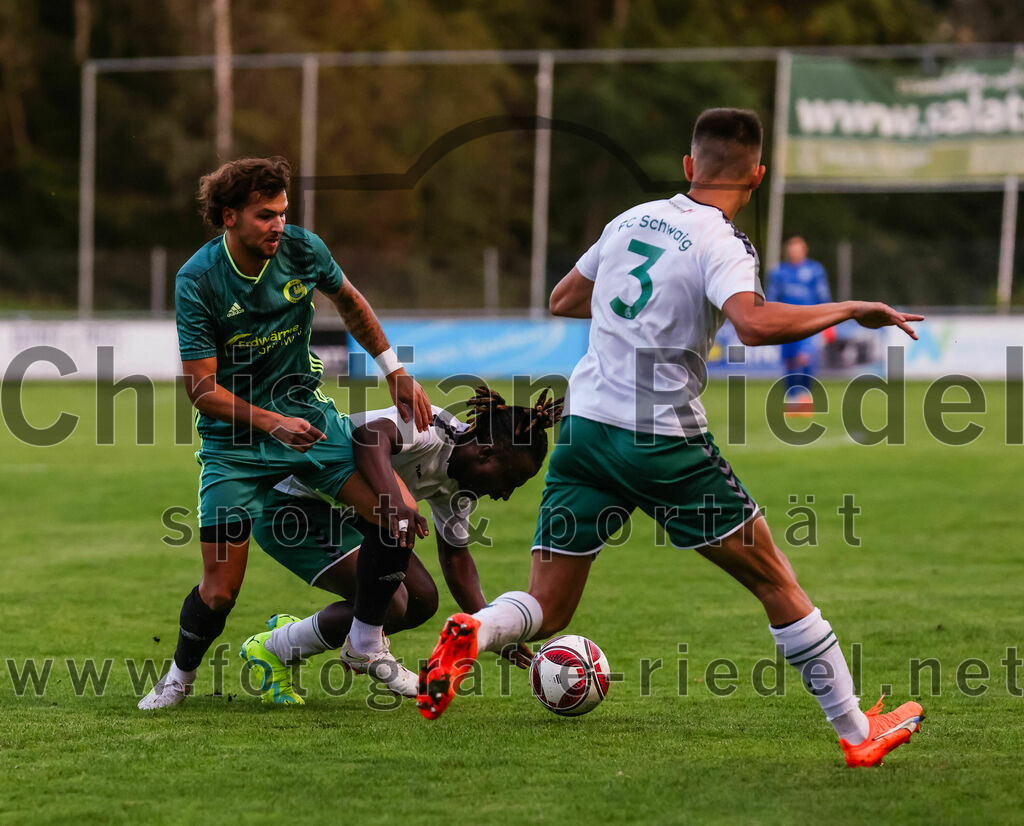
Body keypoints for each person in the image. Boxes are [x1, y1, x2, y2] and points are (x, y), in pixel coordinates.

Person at [417, 109, 926, 768]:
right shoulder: (723, 242)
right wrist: (851, 309)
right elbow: (754, 323)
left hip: (584, 433)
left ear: (689, 166)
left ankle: (476, 629)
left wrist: (640, 312)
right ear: (757, 177)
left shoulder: (630, 219)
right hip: (662, 443)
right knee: (777, 582)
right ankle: (858, 732)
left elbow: (563, 298)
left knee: (549, 604)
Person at [139, 156, 431, 710]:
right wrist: (272, 422)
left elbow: (350, 301)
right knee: (220, 590)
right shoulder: (198, 280)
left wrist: (394, 369)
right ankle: (179, 677)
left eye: (282, 212)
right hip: (235, 445)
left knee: (395, 513)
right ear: (229, 217)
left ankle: (365, 644)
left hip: (309, 418)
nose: (278, 225)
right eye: (265, 215)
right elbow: (201, 389)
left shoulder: (303, 249)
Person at [237, 387, 561, 703]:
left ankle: (285, 642)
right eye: (509, 481)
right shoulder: (433, 427)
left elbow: (456, 558)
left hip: (340, 509)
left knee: (422, 601)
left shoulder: (460, 489)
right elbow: (368, 437)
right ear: (485, 453)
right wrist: (394, 502)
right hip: (287, 501)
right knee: (390, 600)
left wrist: (489, 626)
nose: (505, 494)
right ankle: (294, 647)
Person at [766, 236, 833, 413]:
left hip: (809, 322)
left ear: (804, 251)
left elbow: (823, 296)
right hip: (786, 323)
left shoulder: (815, 270)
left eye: (797, 250)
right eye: (791, 250)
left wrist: (829, 323)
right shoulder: (778, 272)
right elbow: (772, 298)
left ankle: (805, 396)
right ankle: (792, 398)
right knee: (789, 362)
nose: (794, 253)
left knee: (805, 359)